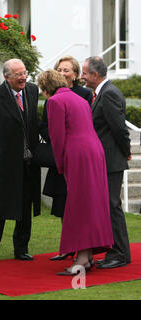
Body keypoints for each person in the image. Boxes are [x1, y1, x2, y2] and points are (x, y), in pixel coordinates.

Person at [37, 69, 114, 275]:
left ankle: (81, 260)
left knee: (79, 205)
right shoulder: (80, 99)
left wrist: (60, 165)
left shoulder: (54, 102)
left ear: (46, 88)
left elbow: (57, 138)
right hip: (95, 152)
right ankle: (86, 257)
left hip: (77, 154)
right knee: (91, 203)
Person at [0, 59, 41, 263]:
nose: (23, 77)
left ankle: (21, 248)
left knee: (25, 207)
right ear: (7, 77)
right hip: (2, 164)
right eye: (18, 74)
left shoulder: (32, 91)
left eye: (25, 73)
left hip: (28, 162)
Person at [39, 56, 93, 261]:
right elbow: (48, 127)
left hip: (72, 157)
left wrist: (61, 163)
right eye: (59, 70)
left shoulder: (63, 99)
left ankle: (83, 255)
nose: (62, 73)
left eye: (66, 70)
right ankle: (80, 252)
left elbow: (61, 135)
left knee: (78, 206)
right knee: (69, 205)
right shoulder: (71, 99)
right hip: (83, 153)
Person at [82, 56, 132, 269]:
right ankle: (120, 252)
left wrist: (126, 151)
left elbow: (119, 128)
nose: (82, 76)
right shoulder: (101, 93)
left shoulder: (109, 93)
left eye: (84, 73)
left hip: (111, 160)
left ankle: (119, 254)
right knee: (110, 206)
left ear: (95, 74)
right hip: (105, 160)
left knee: (112, 206)